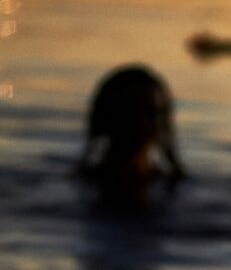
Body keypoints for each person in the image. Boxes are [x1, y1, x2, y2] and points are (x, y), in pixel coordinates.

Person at [76, 65, 185, 208]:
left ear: (163, 122)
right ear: (103, 117)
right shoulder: (78, 184)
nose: (139, 121)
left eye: (150, 112)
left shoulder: (178, 186)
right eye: (128, 110)